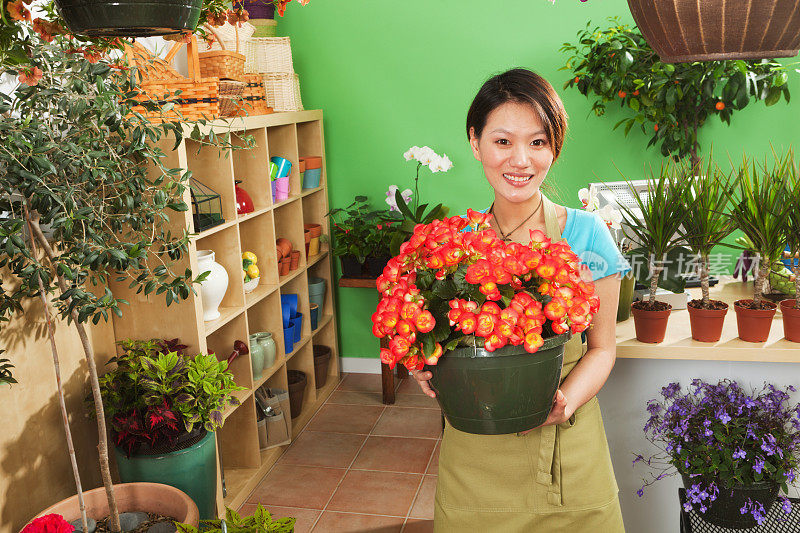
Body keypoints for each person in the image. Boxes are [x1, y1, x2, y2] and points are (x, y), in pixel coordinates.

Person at [411, 68, 629, 532]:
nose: (521, 160)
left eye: (538, 142)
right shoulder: (453, 247)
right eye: (503, 141)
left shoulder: (587, 236)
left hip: (566, 461)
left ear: (554, 148)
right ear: (476, 143)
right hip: (474, 464)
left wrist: (562, 402)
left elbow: (603, 348)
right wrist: (423, 363)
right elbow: (432, 337)